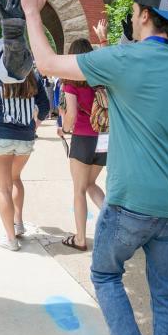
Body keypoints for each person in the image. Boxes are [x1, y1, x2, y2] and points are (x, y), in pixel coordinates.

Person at [21, 0, 168, 335]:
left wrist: (31, 12)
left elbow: (47, 62)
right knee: (166, 296)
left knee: (105, 275)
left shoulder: (122, 59)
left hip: (129, 203)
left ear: (141, 15)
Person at [0, 70, 49, 250]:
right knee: (15, 179)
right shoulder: (32, 75)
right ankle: (19, 223)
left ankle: (11, 240)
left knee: (3, 187)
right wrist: (34, 125)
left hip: (0, 136)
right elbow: (45, 107)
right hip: (25, 137)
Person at [60, 38, 106, 251]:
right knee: (91, 184)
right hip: (104, 138)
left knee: (79, 189)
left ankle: (80, 239)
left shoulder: (72, 82)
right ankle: (111, 222)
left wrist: (64, 129)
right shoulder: (100, 79)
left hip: (83, 138)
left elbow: (72, 114)